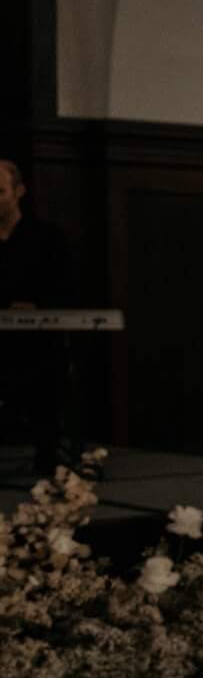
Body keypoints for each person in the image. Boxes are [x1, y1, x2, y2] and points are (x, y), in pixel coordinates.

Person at [0, 159, 73, 475]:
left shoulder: (46, 237)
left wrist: (35, 306)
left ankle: (47, 457)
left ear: (19, 191)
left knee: (47, 372)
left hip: (37, 342)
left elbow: (65, 287)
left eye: (0, 191)